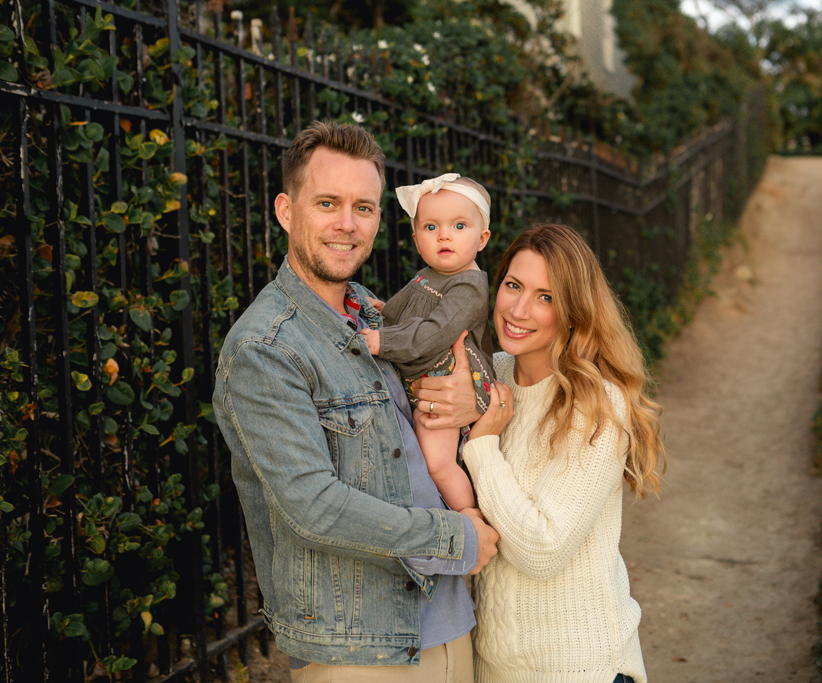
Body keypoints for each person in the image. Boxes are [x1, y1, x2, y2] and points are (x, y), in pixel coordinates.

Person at [212, 121, 499, 682]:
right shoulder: (265, 349)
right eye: (327, 203)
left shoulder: (371, 311)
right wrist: (453, 538)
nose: (347, 224)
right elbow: (312, 506)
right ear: (285, 211)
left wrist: (469, 400)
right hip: (359, 652)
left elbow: (440, 390)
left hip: (449, 623)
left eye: (363, 207)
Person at [459, 223, 666, 683]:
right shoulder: (491, 376)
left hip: (580, 667)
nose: (518, 309)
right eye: (513, 285)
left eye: (545, 297)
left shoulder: (597, 405)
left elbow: (542, 549)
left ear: (573, 311)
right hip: (495, 668)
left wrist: (482, 445)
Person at [358, 173, 495, 513]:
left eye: (459, 226)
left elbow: (433, 332)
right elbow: (406, 306)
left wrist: (381, 340)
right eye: (431, 227)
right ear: (418, 239)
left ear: (482, 238)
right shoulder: (428, 274)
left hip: (456, 380)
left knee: (437, 462)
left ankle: (470, 517)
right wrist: (385, 310)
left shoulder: (469, 287)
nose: (444, 235)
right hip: (428, 376)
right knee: (420, 452)